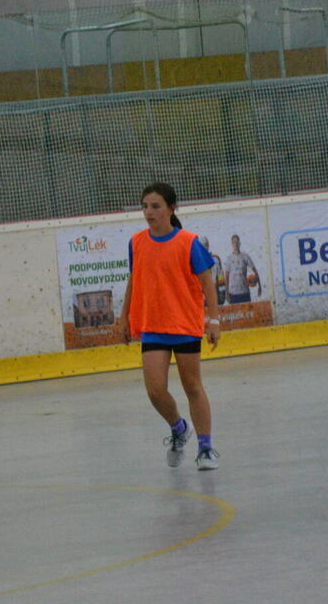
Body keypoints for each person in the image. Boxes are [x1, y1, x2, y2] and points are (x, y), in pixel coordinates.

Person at [119, 183, 222, 470]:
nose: (148, 212)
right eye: (145, 206)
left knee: (192, 386)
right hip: (152, 325)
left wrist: (213, 320)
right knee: (155, 391)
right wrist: (124, 316)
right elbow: (134, 280)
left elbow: (207, 284)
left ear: (171, 208)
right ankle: (178, 428)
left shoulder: (189, 242)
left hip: (184, 324)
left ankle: (206, 448)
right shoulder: (136, 242)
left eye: (155, 206)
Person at [224, 234, 262, 304]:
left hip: (244, 292)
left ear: (239, 243)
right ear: (232, 244)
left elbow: (255, 271)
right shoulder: (229, 259)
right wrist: (226, 293)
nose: (235, 244)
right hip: (233, 294)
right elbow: (226, 277)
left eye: (237, 242)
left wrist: (260, 286)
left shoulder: (245, 256)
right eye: (234, 242)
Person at [200, 235, 226, 305]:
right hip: (203, 298)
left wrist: (222, 293)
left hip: (215, 295)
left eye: (205, 244)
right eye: (202, 245)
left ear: (208, 245)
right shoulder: (197, 263)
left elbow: (220, 277)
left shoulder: (215, 260)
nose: (204, 247)